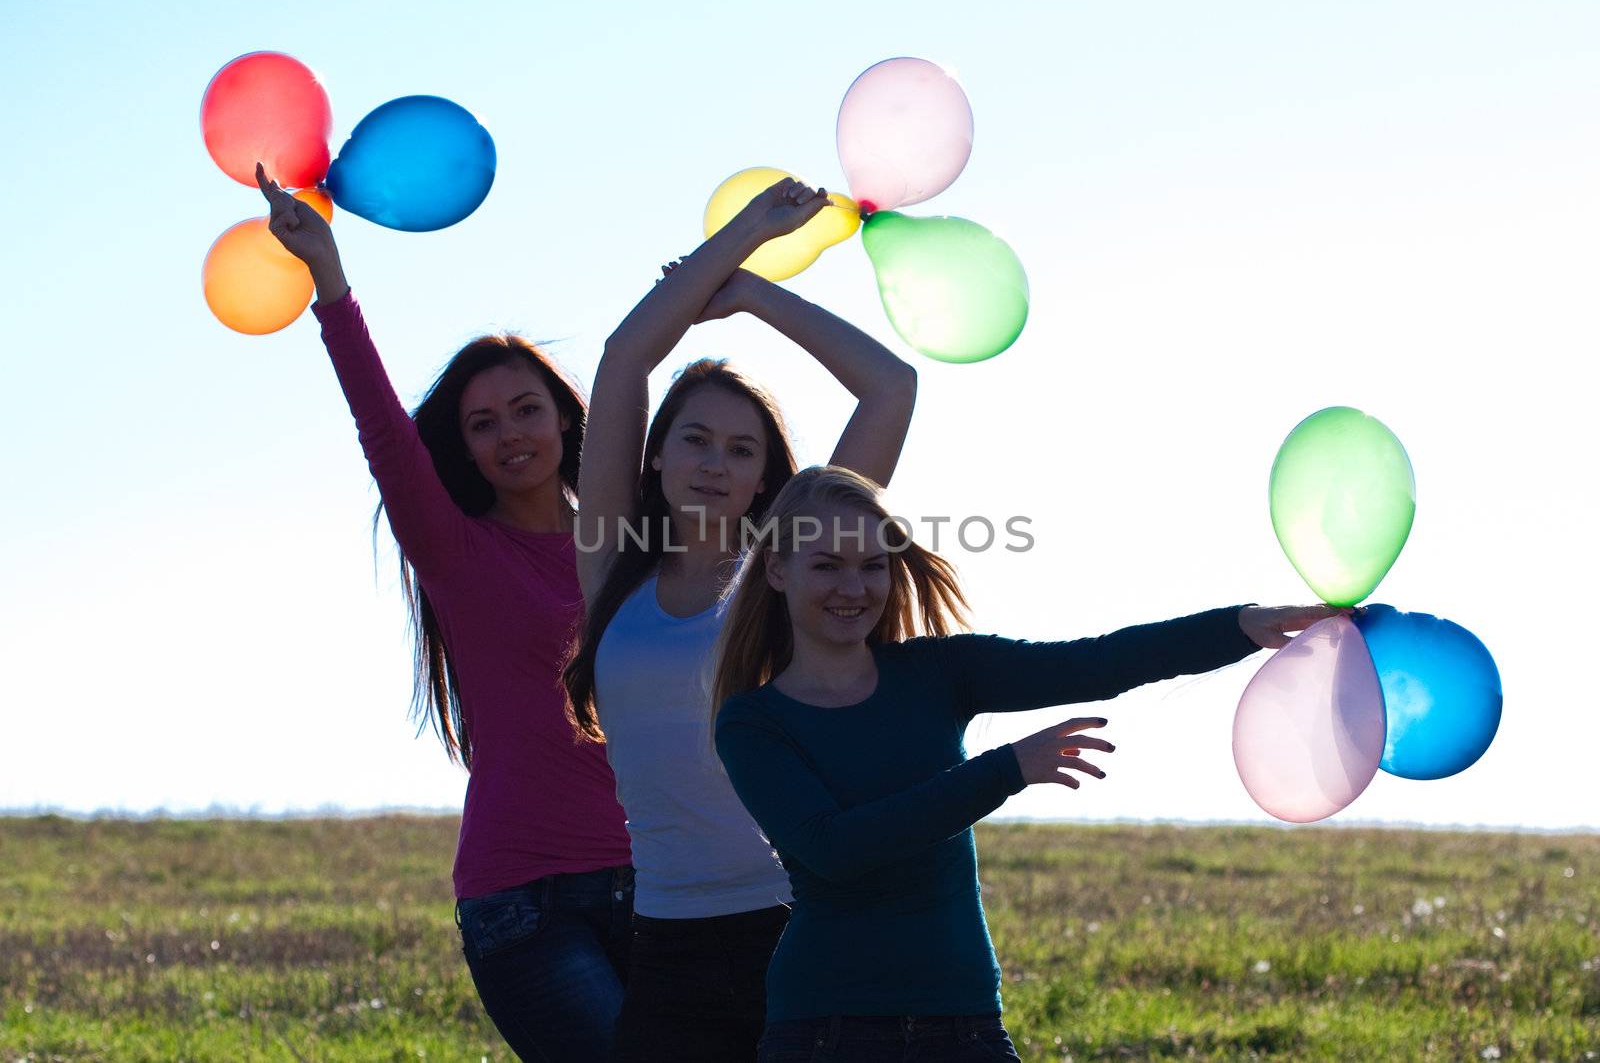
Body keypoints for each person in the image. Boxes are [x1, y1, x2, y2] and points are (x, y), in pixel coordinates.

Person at [710, 466, 1337, 1062]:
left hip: (963, 1017)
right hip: (827, 1030)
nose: (854, 589)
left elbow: (1095, 663)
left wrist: (1240, 626)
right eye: (827, 566)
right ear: (777, 570)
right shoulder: (752, 723)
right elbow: (834, 849)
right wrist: (1005, 770)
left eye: (873, 567)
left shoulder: (940, 672)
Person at [257, 165, 633, 1062]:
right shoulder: (461, 553)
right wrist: (329, 280)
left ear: (565, 420)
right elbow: (384, 430)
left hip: (657, 884)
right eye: (482, 423)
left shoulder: (629, 547)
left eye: (525, 410)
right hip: (524, 901)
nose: (509, 435)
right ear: (461, 446)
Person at [562, 178, 918, 1061]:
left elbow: (890, 387)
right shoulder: (610, 560)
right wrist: (744, 235)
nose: (715, 463)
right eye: (695, 438)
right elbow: (622, 358)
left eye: (741, 448)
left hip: (793, 925)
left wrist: (754, 291)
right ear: (656, 456)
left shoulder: (785, 568)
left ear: (766, 478)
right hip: (666, 940)